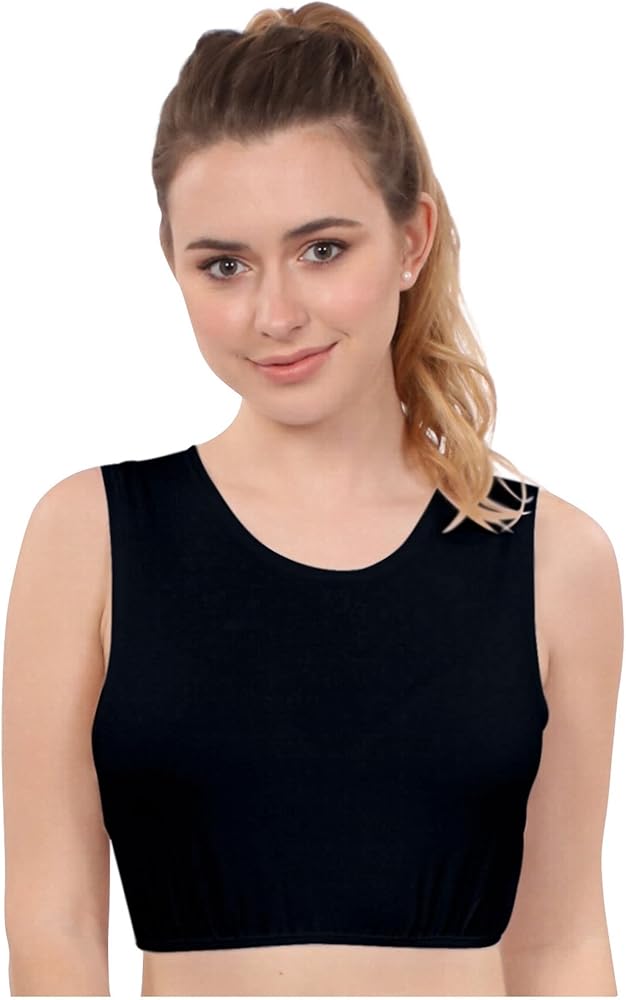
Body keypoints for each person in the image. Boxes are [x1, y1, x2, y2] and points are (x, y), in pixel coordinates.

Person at [3, 3, 621, 997]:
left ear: (411, 239)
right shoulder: (89, 539)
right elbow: (55, 934)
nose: (275, 314)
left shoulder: (555, 558)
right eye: (224, 265)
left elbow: (559, 945)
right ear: (173, 265)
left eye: (322, 249)